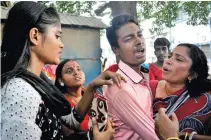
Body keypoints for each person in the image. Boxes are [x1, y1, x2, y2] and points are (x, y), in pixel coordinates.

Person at [1, 2, 126, 140]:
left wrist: (92, 86)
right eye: (57, 36)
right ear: (35, 36)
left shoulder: (40, 82)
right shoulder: (20, 93)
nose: (61, 44)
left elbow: (70, 120)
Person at [103, 14, 159, 140]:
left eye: (139, 35)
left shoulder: (143, 73)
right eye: (129, 39)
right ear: (116, 50)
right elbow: (152, 136)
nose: (139, 41)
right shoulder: (121, 87)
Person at [151, 43, 211, 139]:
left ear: (193, 74)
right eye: (170, 56)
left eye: (179, 59)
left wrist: (184, 136)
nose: (168, 61)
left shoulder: (204, 101)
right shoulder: (149, 87)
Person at [55, 59, 89, 139]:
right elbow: (69, 135)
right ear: (61, 80)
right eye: (69, 71)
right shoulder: (60, 103)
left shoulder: (94, 96)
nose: (76, 73)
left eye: (78, 69)